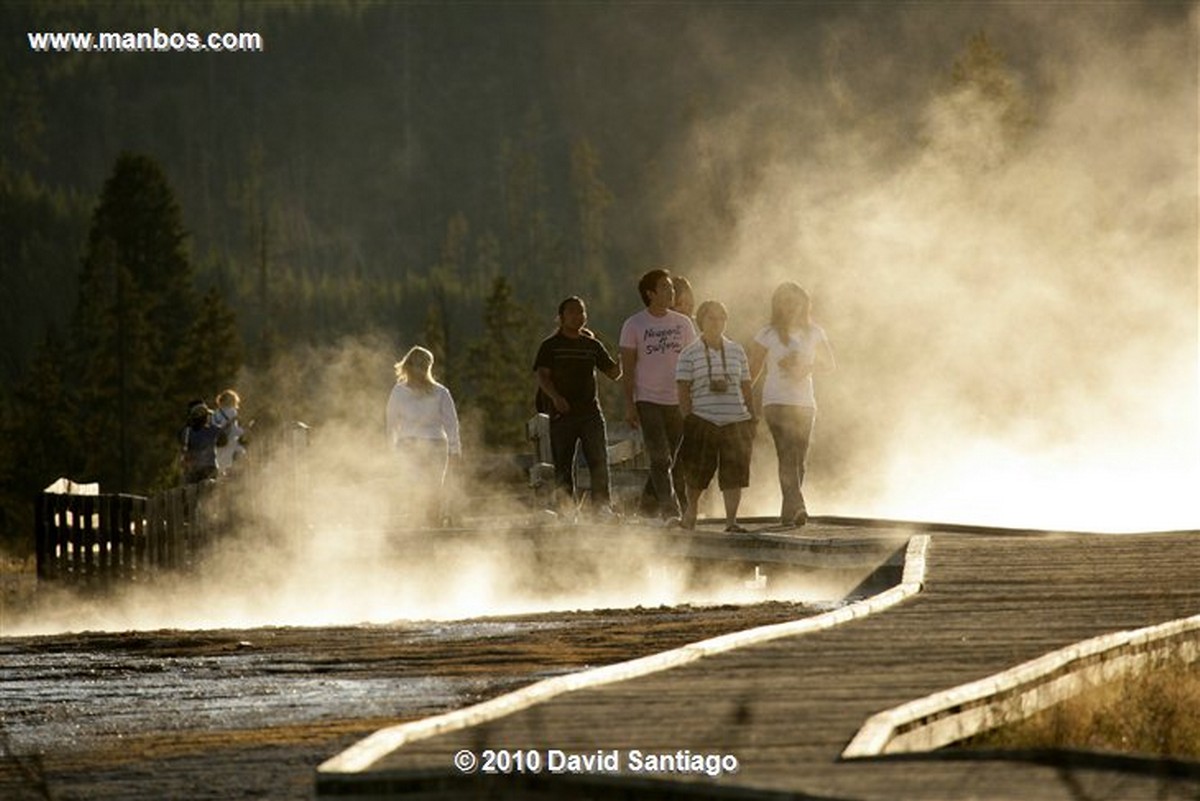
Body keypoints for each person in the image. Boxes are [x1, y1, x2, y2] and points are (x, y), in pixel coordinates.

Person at [748, 282, 836, 528]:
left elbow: (829, 364)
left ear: (804, 303)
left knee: (799, 460)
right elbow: (752, 370)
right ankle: (799, 506)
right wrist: (743, 399)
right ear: (777, 306)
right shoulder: (766, 334)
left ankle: (789, 514)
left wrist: (805, 367)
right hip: (776, 401)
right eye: (785, 302)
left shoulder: (815, 332)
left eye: (795, 301)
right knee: (787, 454)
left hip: (805, 402)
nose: (790, 307)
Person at [619, 268, 697, 523]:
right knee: (660, 457)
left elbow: (693, 363)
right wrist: (629, 405)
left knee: (674, 459)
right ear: (650, 293)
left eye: (671, 287)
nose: (671, 291)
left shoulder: (683, 323)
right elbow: (628, 369)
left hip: (678, 400)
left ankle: (645, 507)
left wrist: (695, 398)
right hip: (648, 399)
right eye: (664, 287)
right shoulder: (634, 325)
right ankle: (670, 510)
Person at [533, 296, 622, 517]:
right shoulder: (551, 346)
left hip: (590, 412)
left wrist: (627, 357)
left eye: (581, 312)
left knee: (598, 459)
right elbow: (542, 376)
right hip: (562, 413)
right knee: (563, 463)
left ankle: (601, 507)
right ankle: (567, 509)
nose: (577, 316)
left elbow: (614, 373)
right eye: (572, 312)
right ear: (561, 317)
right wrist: (555, 398)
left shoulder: (592, 345)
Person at [675, 301, 755, 532]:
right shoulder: (689, 352)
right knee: (698, 473)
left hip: (736, 418)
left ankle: (731, 521)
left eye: (721, 318)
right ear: (701, 321)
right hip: (703, 418)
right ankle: (691, 512)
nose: (717, 323)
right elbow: (682, 388)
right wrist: (688, 417)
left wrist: (751, 415)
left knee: (734, 474)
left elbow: (746, 384)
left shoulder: (736, 350)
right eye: (711, 318)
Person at [385, 346, 462, 526]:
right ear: (409, 366)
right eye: (417, 365)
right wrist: (391, 451)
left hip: (434, 445)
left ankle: (433, 530)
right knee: (413, 489)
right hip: (409, 446)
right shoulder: (399, 392)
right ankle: (416, 530)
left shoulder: (440, 392)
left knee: (434, 490)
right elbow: (391, 424)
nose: (420, 370)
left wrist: (455, 450)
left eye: (424, 366)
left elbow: (451, 424)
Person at [180, 399, 220, 485]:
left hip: (193, 470)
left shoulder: (186, 432)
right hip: (210, 468)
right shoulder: (213, 430)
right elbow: (223, 440)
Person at [212, 388, 247, 473]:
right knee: (240, 456)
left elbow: (214, 428)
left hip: (219, 444)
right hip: (230, 443)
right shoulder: (232, 411)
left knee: (221, 467)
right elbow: (233, 430)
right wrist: (244, 431)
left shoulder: (215, 413)